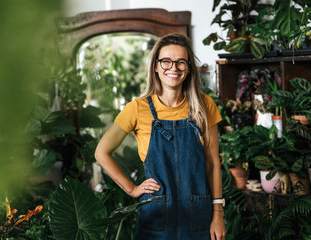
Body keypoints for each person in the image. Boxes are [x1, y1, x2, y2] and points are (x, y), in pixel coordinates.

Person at [95, 33, 226, 240]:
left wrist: (218, 213)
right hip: (156, 217)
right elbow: (101, 152)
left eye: (181, 62)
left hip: (198, 216)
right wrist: (131, 188)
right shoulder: (137, 109)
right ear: (155, 66)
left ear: (188, 68)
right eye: (166, 62)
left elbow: (212, 163)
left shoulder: (204, 105)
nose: (173, 68)